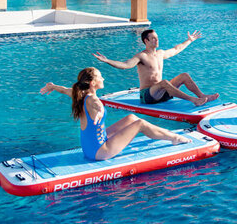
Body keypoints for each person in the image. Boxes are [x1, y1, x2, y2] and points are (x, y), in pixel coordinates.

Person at [40, 68, 190, 161]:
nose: (103, 78)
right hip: (100, 152)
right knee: (140, 124)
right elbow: (97, 106)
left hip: (91, 147)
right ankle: (174, 138)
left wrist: (52, 87)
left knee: (132, 118)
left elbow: (64, 89)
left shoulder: (79, 94)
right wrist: (99, 112)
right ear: (92, 83)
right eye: (100, 76)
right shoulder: (92, 99)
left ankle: (164, 135)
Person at [92, 29, 218, 107]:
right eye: (153, 38)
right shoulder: (141, 56)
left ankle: (202, 96)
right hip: (148, 96)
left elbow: (176, 49)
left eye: (157, 38)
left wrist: (189, 40)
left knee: (184, 75)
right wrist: (107, 60)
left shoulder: (160, 53)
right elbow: (125, 65)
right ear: (146, 41)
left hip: (162, 93)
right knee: (164, 83)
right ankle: (193, 100)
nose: (156, 40)